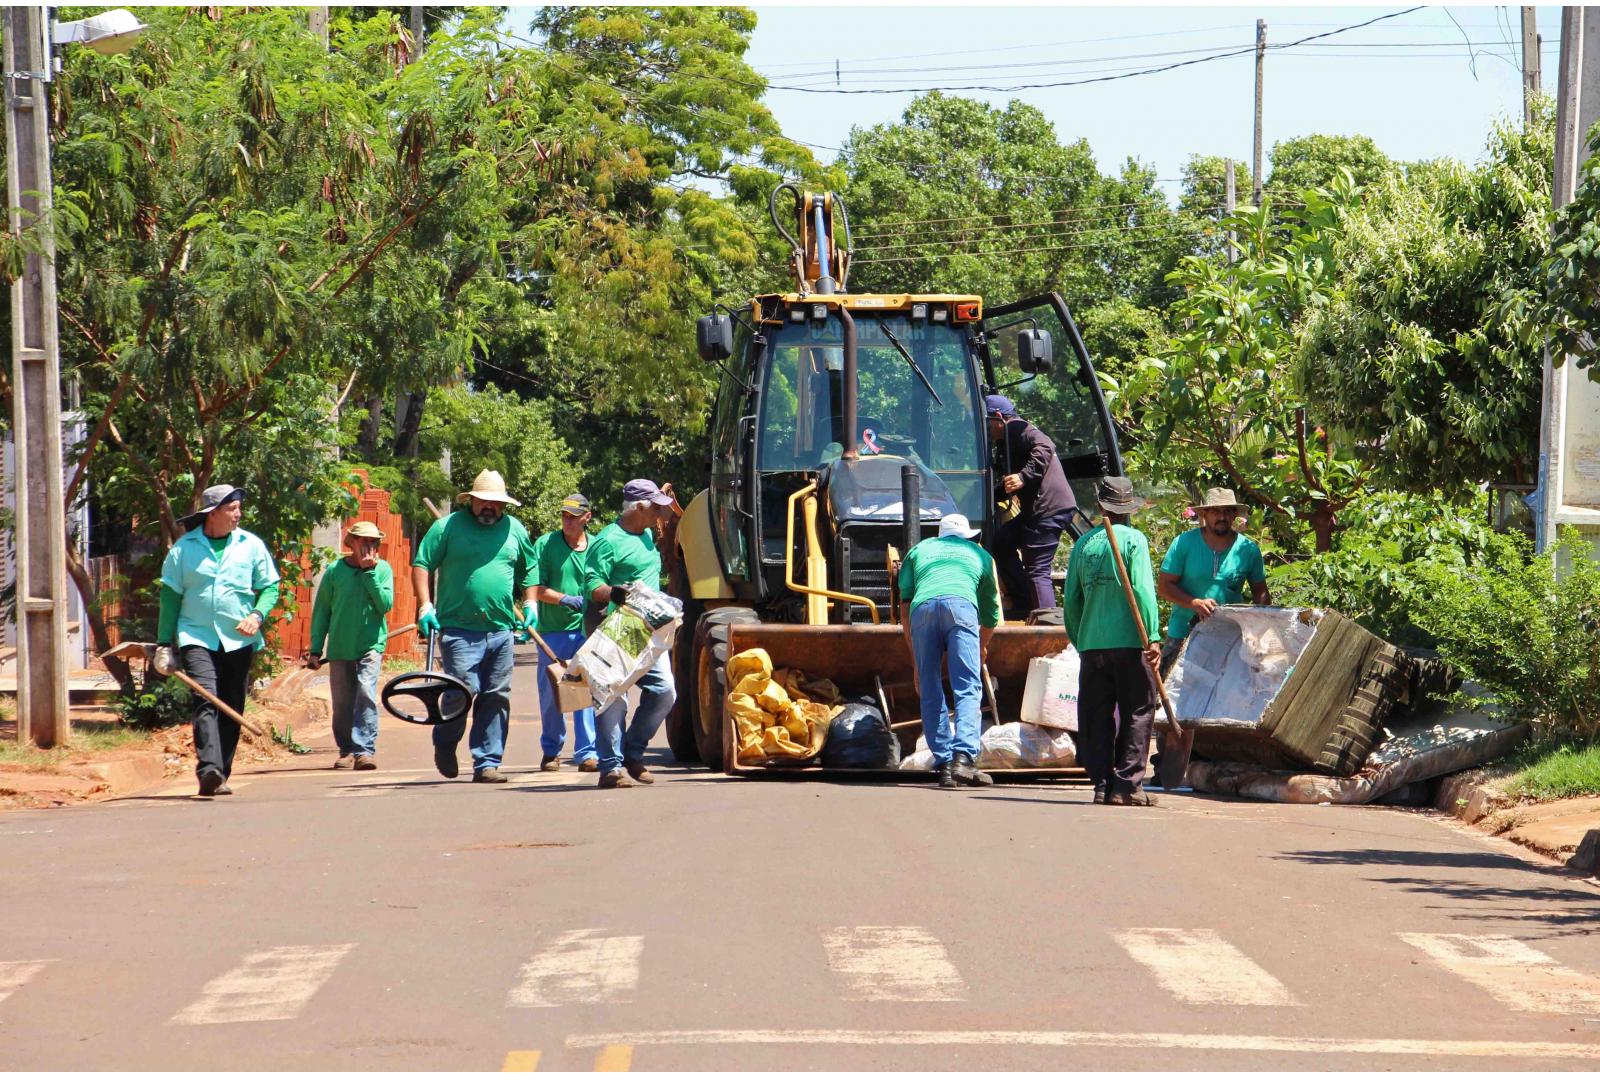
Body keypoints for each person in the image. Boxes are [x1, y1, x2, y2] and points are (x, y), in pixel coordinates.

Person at [154, 484, 280, 797]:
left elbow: (270, 588)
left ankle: (221, 772)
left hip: (239, 639)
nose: (238, 515)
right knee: (206, 697)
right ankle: (207, 768)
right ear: (213, 513)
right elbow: (170, 597)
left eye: (239, 508)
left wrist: (257, 616)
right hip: (196, 635)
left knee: (231, 704)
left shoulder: (250, 545)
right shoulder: (184, 550)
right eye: (232, 509)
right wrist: (162, 644)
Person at [413, 469, 536, 784]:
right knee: (462, 690)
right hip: (458, 629)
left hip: (500, 630)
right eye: (484, 502)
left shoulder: (514, 530)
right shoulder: (447, 527)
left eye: (496, 504)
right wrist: (425, 605)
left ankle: (487, 762)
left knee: (496, 695)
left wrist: (531, 603)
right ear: (472, 500)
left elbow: (530, 569)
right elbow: (422, 563)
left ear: (503, 506)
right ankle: (445, 741)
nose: (490, 508)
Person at [1060, 477, 1162, 807]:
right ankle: (1127, 784)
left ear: (1101, 505)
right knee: (1138, 710)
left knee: (1096, 714)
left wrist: (1081, 639)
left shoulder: (1084, 544)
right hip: (1131, 643)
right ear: (1128, 509)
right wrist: (1154, 636)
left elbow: (1071, 602)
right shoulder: (1134, 540)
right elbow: (1144, 592)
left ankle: (1102, 783)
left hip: (1092, 644)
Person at [897, 513, 1003, 789]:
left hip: (922, 611)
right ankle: (963, 758)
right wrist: (981, 647)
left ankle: (944, 764)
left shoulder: (919, 550)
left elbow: (904, 609)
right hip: (961, 608)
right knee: (967, 685)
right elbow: (991, 614)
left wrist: (914, 664)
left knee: (929, 684)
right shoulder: (980, 555)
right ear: (967, 535)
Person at [585, 479, 678, 789]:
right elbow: (592, 586)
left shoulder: (649, 535)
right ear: (638, 508)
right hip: (618, 629)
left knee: (665, 691)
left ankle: (633, 752)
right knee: (613, 697)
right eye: (654, 508)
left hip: (650, 630)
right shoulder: (607, 541)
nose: (658, 514)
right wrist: (616, 593)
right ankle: (611, 767)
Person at [306, 521, 395, 771]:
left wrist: (370, 574)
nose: (369, 547)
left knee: (366, 692)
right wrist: (315, 649)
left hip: (370, 645)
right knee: (343, 701)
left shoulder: (383, 570)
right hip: (340, 647)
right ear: (352, 543)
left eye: (373, 543)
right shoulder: (335, 571)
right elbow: (322, 611)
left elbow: (385, 605)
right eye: (363, 542)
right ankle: (346, 749)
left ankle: (364, 750)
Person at [1156, 488, 1271, 674]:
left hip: (1229, 637)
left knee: (1225, 697)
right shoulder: (1184, 543)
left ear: (1235, 514)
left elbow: (1261, 592)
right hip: (1183, 634)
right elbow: (1164, 587)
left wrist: (1260, 630)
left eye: (1227, 511)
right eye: (1216, 511)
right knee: (1172, 696)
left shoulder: (1248, 550)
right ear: (1204, 514)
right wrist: (1194, 603)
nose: (1222, 516)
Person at [985, 394, 1078, 618]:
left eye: (987, 424)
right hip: (1035, 510)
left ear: (998, 418)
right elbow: (1007, 485)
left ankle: (1045, 625)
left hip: (1048, 509)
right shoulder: (1007, 440)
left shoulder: (1017, 427)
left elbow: (1046, 446)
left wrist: (1024, 476)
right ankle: (1025, 605)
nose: (987, 430)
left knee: (1037, 568)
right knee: (1002, 542)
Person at [529, 493, 598, 773]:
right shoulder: (546, 545)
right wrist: (565, 599)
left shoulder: (597, 546)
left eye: (573, 516)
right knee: (552, 692)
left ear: (587, 517)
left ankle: (587, 753)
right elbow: (535, 587)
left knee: (586, 691)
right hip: (553, 632)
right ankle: (551, 751)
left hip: (589, 630)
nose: (567, 521)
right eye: (564, 516)